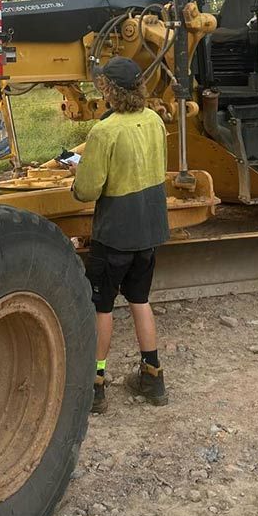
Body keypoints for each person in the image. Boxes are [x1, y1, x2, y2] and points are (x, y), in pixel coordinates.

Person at [71, 56, 170, 413]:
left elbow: (87, 190)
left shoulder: (104, 131)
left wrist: (74, 175)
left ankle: (96, 384)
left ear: (109, 90)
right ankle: (152, 376)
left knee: (103, 306)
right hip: (149, 229)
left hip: (115, 234)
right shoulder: (155, 120)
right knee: (140, 300)